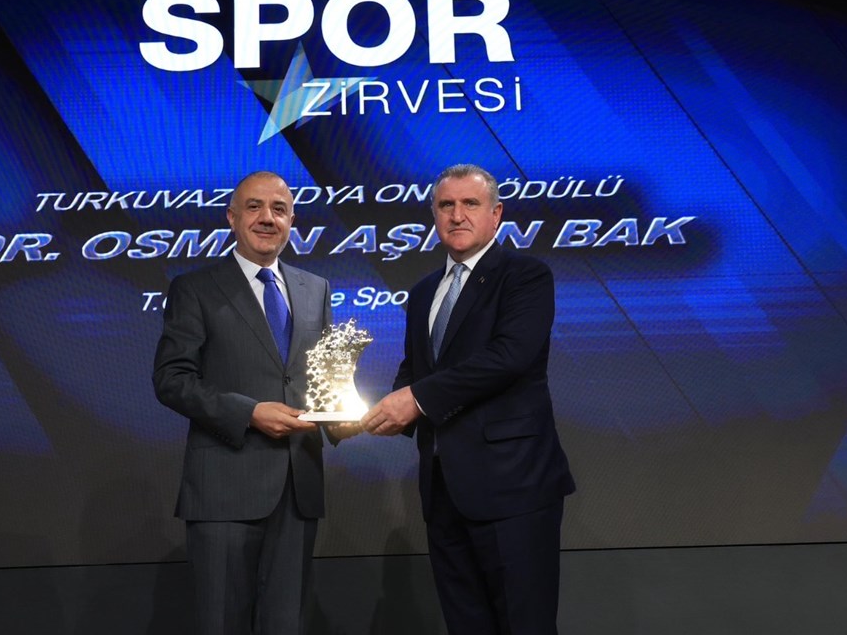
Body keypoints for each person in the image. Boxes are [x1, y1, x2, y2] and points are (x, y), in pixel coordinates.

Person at [360, 163, 576, 635]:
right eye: (446, 205)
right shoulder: (423, 292)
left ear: (496, 214)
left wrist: (414, 400)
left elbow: (508, 358)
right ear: (434, 215)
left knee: (524, 624)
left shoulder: (525, 276)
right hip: (443, 490)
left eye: (470, 204)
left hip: (513, 486)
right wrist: (366, 415)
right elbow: (417, 372)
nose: (457, 215)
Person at [153, 170, 358, 635]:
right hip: (224, 489)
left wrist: (341, 419)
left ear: (292, 221)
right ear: (232, 217)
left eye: (279, 209)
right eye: (254, 207)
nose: (268, 218)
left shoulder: (315, 288)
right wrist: (248, 412)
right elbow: (171, 379)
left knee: (286, 625)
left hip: (298, 489)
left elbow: (323, 378)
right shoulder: (195, 288)